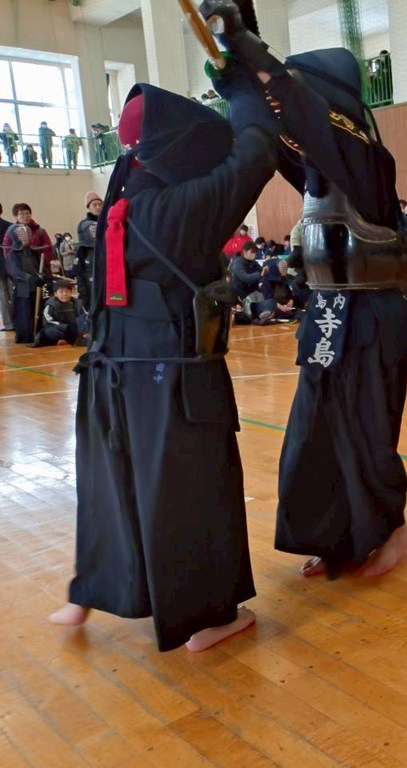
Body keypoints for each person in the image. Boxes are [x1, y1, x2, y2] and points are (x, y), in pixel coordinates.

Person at [46, 65, 281, 651]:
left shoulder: (122, 199)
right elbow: (256, 154)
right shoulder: (180, 208)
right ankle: (210, 616)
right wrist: (244, 90)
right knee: (191, 487)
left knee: (115, 482)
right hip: (172, 377)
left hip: (111, 371)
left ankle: (95, 588)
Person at [206, 6, 407, 580]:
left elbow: (302, 114)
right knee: (315, 434)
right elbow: (270, 135)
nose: (288, 104)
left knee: (368, 435)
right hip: (327, 316)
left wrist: (250, 50)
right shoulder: (319, 168)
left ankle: (392, 529)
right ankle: (336, 538)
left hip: (370, 317)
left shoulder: (366, 158)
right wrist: (238, 81)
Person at [2, 203, 54, 343]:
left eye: (27, 235)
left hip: (35, 286)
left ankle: (38, 333)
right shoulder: (13, 253)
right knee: (24, 311)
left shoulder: (34, 252)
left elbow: (41, 266)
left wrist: (44, 276)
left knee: (38, 308)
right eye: (21, 235)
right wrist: (29, 278)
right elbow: (14, 270)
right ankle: (26, 335)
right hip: (23, 287)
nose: (24, 238)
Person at [30, 279, 87, 347]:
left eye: (67, 291)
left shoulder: (78, 303)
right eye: (61, 292)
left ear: (71, 292)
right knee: (50, 332)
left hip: (74, 329)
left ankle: (70, 339)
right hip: (60, 329)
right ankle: (71, 339)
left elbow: (84, 317)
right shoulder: (51, 304)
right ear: (55, 294)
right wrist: (67, 328)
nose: (64, 294)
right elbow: (48, 322)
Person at [76, 192, 103, 311]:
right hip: (89, 263)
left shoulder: (108, 221)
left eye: (100, 204)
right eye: (94, 205)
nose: (98, 207)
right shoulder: (85, 224)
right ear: (88, 207)